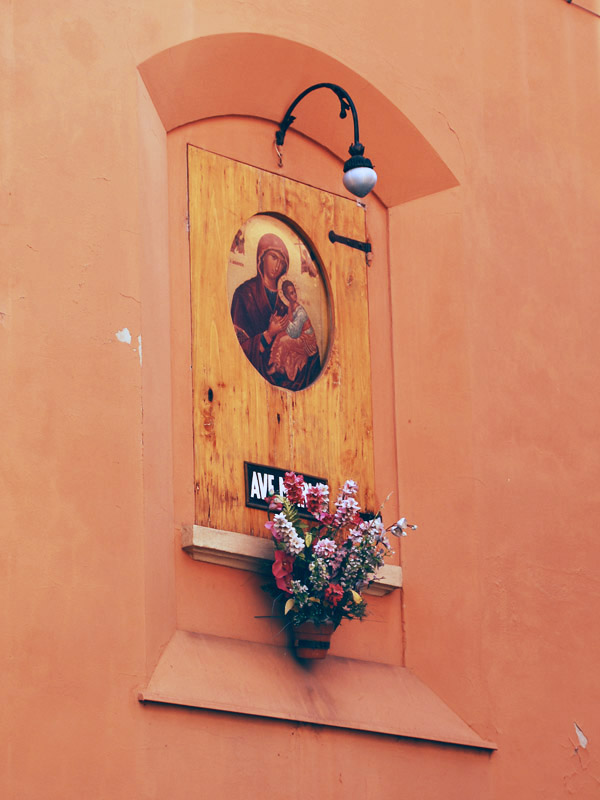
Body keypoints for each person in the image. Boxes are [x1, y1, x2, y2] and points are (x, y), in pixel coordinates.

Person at [230, 233, 320, 390]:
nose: (277, 265)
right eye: (273, 257)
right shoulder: (244, 295)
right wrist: (269, 334)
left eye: (281, 261)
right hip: (248, 386)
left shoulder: (286, 304)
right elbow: (233, 347)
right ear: (262, 257)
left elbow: (308, 352)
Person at [267, 280, 320, 387]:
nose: (294, 295)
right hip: (299, 335)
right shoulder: (291, 308)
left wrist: (282, 322)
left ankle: (278, 365)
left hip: (307, 340)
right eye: (291, 293)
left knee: (284, 340)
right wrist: (278, 321)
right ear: (286, 296)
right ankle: (277, 364)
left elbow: (295, 332)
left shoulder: (300, 312)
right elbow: (289, 326)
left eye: (294, 292)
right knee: (279, 336)